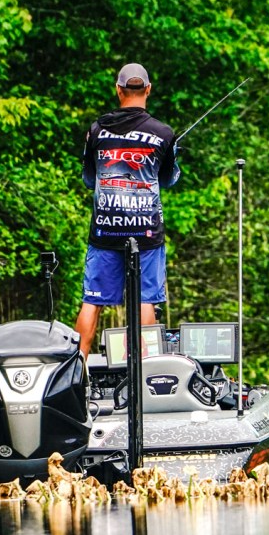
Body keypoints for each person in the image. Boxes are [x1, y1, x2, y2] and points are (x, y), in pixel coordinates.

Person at [75, 63, 181, 358]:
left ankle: (77, 371)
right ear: (148, 89)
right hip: (147, 232)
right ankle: (146, 371)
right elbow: (168, 180)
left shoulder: (96, 130)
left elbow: (88, 179)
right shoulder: (163, 133)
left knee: (91, 301)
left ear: (118, 90)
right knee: (146, 301)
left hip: (105, 230)